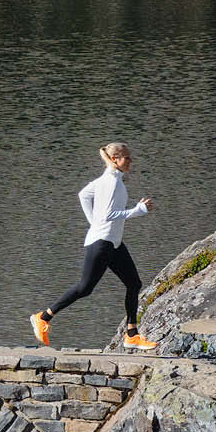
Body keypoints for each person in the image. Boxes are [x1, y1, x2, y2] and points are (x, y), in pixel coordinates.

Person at [30, 143, 158, 350]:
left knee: (134, 283)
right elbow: (108, 215)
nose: (131, 161)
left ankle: (132, 334)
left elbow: (84, 195)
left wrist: (93, 223)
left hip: (112, 242)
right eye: (127, 157)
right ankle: (42, 318)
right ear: (116, 159)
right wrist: (137, 210)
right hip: (102, 242)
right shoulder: (110, 182)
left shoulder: (108, 179)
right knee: (85, 287)